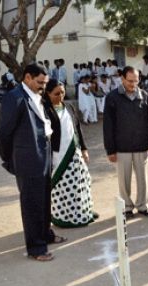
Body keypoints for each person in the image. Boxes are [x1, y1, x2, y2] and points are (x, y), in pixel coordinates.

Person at [0, 63, 66, 261]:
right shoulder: (15, 98)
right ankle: (36, 248)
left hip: (43, 154)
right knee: (31, 204)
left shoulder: (37, 95)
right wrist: (10, 159)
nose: (43, 86)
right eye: (40, 82)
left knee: (43, 199)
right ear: (27, 78)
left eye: (45, 82)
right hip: (27, 159)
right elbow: (3, 133)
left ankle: (45, 235)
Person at [103, 66, 148, 218]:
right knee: (123, 181)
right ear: (122, 79)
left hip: (142, 146)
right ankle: (126, 207)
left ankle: (143, 206)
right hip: (121, 148)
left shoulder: (144, 96)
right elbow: (108, 125)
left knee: (143, 178)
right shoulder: (112, 97)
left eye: (136, 81)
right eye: (130, 81)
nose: (133, 84)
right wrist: (110, 150)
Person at [44, 79, 97, 227]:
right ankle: (63, 217)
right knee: (61, 187)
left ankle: (83, 211)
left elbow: (77, 128)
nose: (60, 96)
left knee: (80, 182)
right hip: (57, 155)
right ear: (47, 93)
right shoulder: (45, 111)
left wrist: (84, 148)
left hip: (75, 152)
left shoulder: (69, 106)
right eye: (56, 94)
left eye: (62, 92)